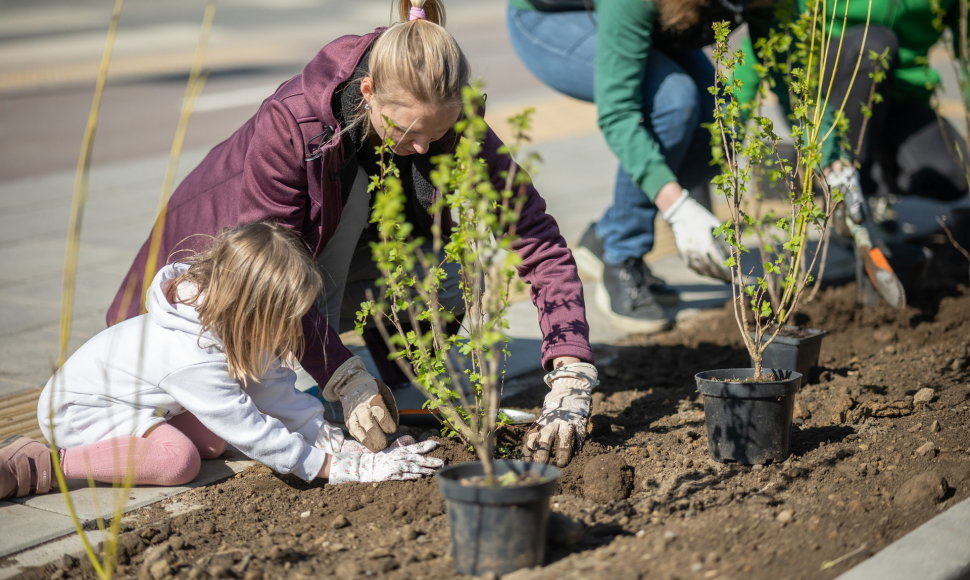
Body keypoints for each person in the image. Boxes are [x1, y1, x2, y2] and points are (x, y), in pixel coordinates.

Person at [105, 0, 597, 467]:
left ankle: (397, 373)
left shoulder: (451, 120)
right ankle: (337, 375)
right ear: (368, 92)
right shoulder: (295, 123)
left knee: (449, 270)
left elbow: (534, 236)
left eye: (438, 133)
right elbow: (272, 273)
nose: (424, 147)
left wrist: (570, 365)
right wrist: (342, 376)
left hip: (316, 270)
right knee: (208, 434)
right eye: (408, 133)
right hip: (212, 284)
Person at [1, 222, 443, 500]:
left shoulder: (234, 319)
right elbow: (251, 429)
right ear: (251, 312)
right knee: (179, 462)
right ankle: (47, 463)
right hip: (79, 409)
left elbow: (275, 394)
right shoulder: (190, 353)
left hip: (142, 401)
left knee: (212, 443)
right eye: (282, 322)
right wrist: (337, 469)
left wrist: (331, 439)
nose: (290, 333)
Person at [507, 0, 745, 334]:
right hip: (551, 19)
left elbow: (785, 61)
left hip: (644, 12)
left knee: (723, 121)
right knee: (673, 100)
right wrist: (677, 207)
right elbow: (618, 112)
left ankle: (607, 235)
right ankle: (621, 253)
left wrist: (830, 161)